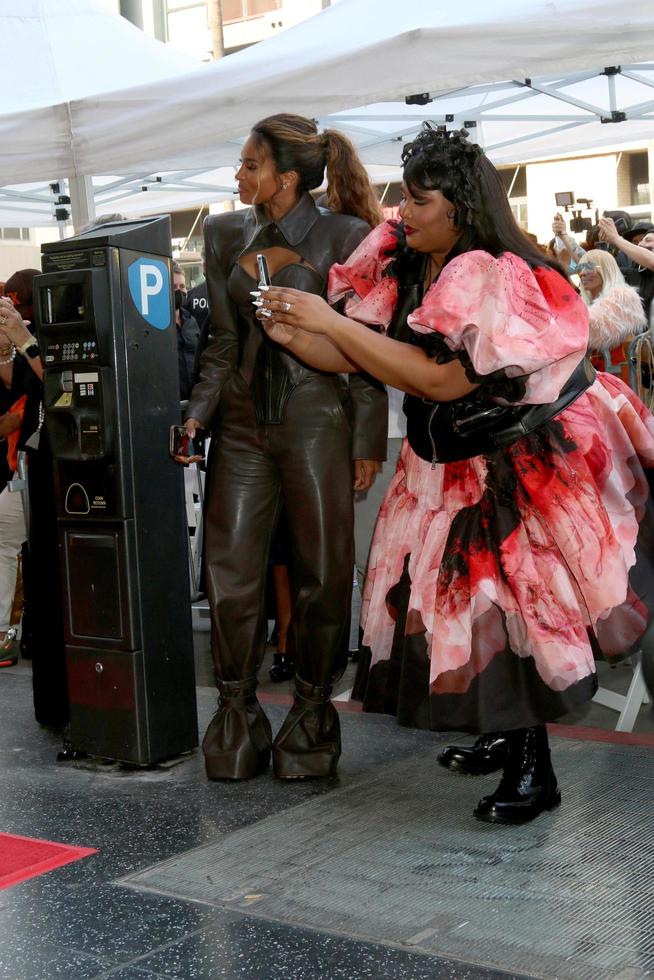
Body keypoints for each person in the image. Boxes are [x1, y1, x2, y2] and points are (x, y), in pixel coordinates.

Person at [257, 125, 654, 824]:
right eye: (404, 199)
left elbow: (441, 380)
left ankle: (536, 768)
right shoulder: (407, 259)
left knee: (519, 609)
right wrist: (302, 336)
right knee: (464, 610)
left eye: (418, 201)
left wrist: (332, 327)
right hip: (444, 466)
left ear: (460, 206)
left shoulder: (494, 271)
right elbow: (372, 357)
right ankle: (504, 735)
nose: (402, 213)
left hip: (512, 463)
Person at [183, 113, 387, 781]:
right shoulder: (221, 234)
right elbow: (219, 344)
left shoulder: (345, 235)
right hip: (240, 427)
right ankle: (238, 718)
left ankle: (309, 717)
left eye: (249, 165)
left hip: (317, 421)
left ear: (286, 176)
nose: (238, 175)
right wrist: (196, 417)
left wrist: (366, 437)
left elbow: (366, 344)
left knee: (323, 574)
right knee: (230, 577)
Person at [577, 249, 647, 381]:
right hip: (595, 377)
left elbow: (596, 328)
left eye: (589, 267)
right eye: (580, 268)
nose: (583, 273)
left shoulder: (623, 295)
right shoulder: (583, 303)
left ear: (606, 269)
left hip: (621, 375)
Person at [172, 264, 200, 401]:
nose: (179, 291)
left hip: (193, 401)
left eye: (182, 286)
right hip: (170, 401)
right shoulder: (157, 324)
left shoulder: (191, 321)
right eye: (174, 287)